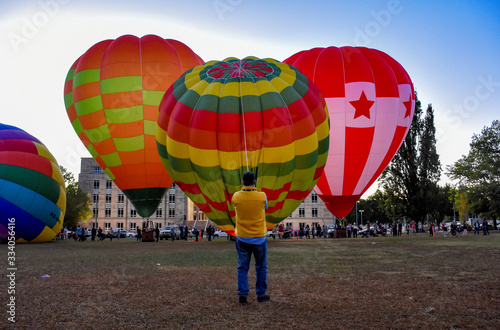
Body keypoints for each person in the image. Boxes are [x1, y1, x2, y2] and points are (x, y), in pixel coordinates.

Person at [232, 171, 270, 305]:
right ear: (255, 182)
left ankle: (242, 295)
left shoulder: (236, 196)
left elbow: (235, 206)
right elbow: (265, 208)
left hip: (242, 237)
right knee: (261, 267)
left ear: (242, 182)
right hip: (259, 237)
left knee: (242, 267)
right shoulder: (262, 196)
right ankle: (261, 294)